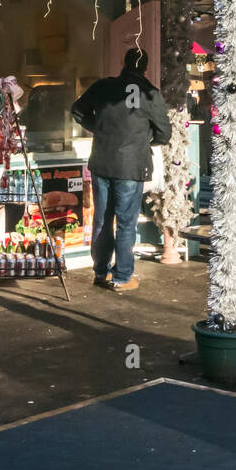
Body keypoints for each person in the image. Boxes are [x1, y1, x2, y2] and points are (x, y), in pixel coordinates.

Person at [71, 47, 172, 291]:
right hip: (131, 164)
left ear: (123, 64)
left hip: (102, 161)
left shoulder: (104, 86)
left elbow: (77, 110)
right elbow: (164, 134)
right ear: (145, 68)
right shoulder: (151, 93)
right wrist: (144, 140)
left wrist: (100, 129)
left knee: (103, 219)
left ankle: (100, 272)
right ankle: (123, 276)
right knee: (126, 222)